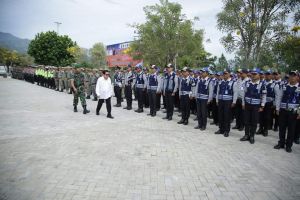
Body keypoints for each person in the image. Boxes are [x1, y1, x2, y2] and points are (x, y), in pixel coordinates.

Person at [274, 70, 300, 153]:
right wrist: (277, 108)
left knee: (291, 129)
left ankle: (289, 145)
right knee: (282, 128)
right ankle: (281, 143)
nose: (292, 77)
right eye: (291, 75)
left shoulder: (299, 87)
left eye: (294, 75)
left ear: (297, 77)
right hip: (283, 110)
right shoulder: (283, 85)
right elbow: (279, 97)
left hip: (293, 112)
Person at [240, 68, 266, 144]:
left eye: (255, 74)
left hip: (256, 106)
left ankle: (252, 136)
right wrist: (243, 103)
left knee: (254, 122)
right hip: (247, 105)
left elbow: (264, 96)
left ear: (259, 75)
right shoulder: (247, 83)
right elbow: (243, 94)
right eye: (252, 74)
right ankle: (246, 135)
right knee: (246, 121)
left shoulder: (262, 84)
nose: (253, 76)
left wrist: (262, 106)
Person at [215, 69, 238, 137]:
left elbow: (235, 93)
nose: (225, 75)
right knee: (220, 115)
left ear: (229, 74)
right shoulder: (220, 82)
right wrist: (217, 100)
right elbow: (218, 92)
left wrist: (234, 102)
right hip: (221, 101)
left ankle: (226, 130)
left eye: (226, 73)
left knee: (227, 116)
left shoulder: (233, 82)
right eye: (224, 73)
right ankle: (221, 129)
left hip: (228, 101)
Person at [257, 69, 275, 136]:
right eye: (266, 74)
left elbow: (276, 95)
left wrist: (274, 104)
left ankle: (265, 130)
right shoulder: (261, 83)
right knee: (261, 116)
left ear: (271, 75)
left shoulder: (274, 83)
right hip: (261, 102)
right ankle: (260, 128)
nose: (267, 76)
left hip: (269, 103)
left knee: (267, 117)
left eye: (269, 74)